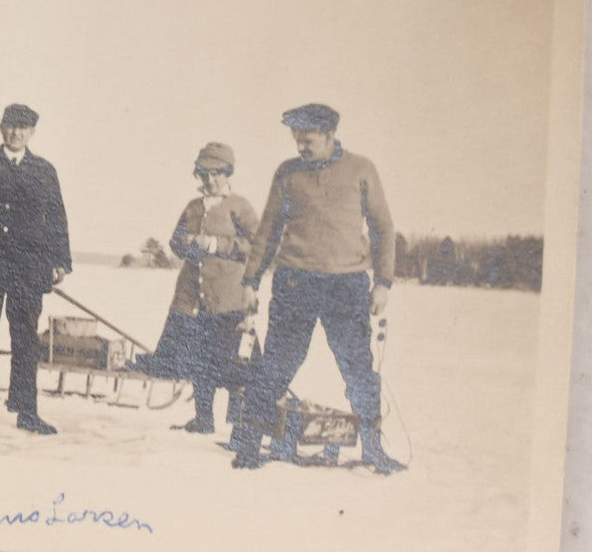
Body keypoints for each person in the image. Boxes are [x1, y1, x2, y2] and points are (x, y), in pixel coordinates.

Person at [229, 103, 405, 473]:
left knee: (358, 367)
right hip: (296, 281)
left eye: (307, 140)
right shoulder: (288, 174)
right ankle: (248, 443)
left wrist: (383, 282)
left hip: (348, 285)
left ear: (329, 136)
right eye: (297, 140)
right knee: (277, 364)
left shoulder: (362, 170)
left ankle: (373, 449)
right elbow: (267, 231)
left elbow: (383, 229)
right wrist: (250, 281)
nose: (301, 147)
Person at [0, 103, 72, 435]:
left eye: (23, 128)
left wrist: (59, 260)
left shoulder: (44, 171)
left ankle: (26, 412)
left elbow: (57, 218)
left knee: (25, 341)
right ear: (1, 128)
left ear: (32, 133)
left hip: (28, 270)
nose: (16, 133)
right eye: (10, 126)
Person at [136, 142, 260, 437]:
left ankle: (240, 426)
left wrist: (217, 245)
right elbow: (175, 241)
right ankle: (203, 419)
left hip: (228, 299)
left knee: (229, 361)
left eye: (216, 174)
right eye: (204, 174)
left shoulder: (239, 206)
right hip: (193, 297)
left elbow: (258, 246)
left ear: (228, 174)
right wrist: (187, 243)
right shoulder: (193, 207)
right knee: (199, 361)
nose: (210, 181)